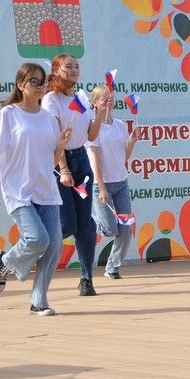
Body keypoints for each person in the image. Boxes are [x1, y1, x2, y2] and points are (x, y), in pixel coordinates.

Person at [0, 63, 71, 316]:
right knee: (37, 239)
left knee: (53, 248)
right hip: (19, 192)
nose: (40, 87)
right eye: (34, 82)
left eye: (42, 82)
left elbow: (49, 161)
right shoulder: (7, 115)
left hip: (47, 191)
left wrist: (60, 147)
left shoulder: (50, 119)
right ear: (21, 85)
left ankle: (38, 301)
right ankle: (4, 263)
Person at [42, 54, 107, 296]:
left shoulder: (80, 97)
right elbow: (54, 138)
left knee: (86, 226)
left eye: (77, 66)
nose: (74, 70)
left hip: (82, 160)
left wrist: (100, 112)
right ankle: (34, 245)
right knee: (67, 224)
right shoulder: (51, 100)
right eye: (68, 66)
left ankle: (86, 278)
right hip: (61, 161)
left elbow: (91, 135)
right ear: (57, 71)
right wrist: (64, 169)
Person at [86, 86, 139, 279]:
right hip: (102, 184)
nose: (109, 101)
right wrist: (101, 187)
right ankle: (92, 216)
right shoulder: (93, 126)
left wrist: (131, 143)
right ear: (95, 103)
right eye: (104, 99)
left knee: (125, 229)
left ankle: (113, 267)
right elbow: (95, 160)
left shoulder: (120, 125)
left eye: (111, 98)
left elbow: (123, 156)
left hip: (121, 183)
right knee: (109, 229)